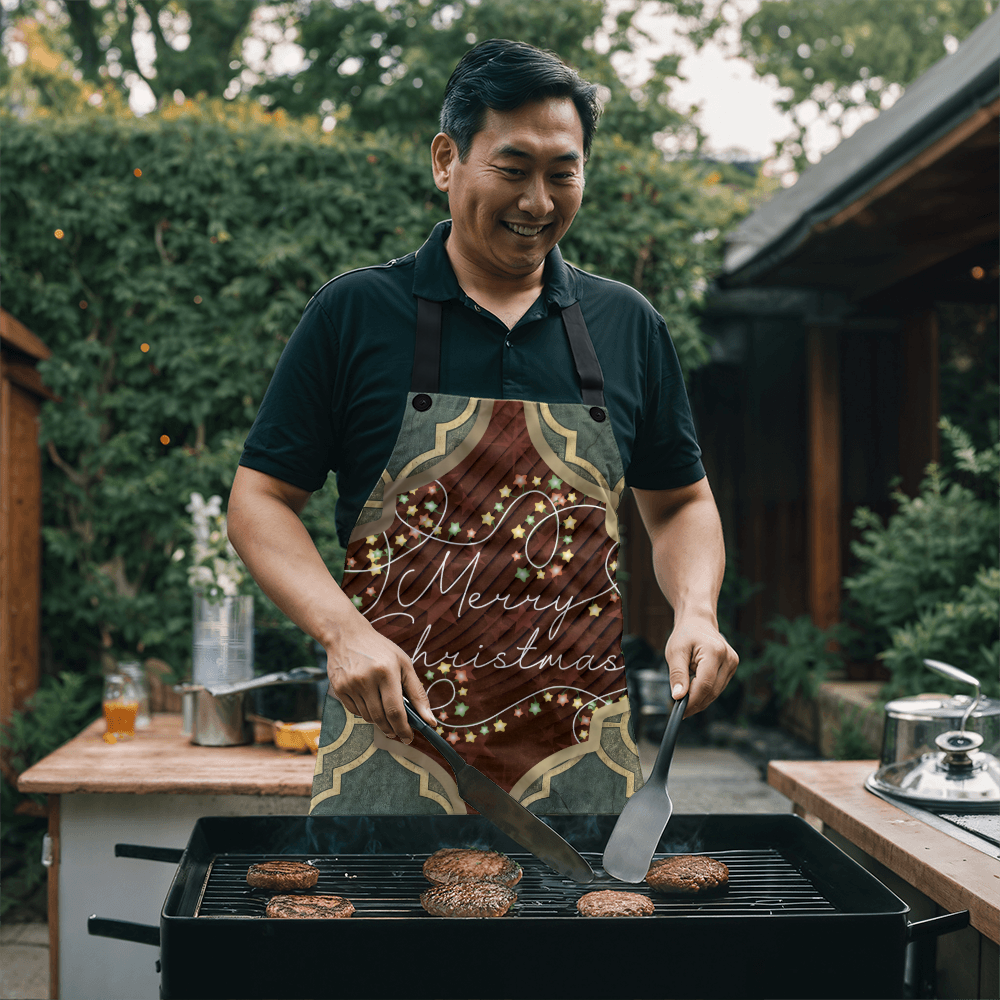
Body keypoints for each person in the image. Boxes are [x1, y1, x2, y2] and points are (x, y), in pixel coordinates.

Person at [228, 39, 738, 816]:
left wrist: (696, 610)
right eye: (513, 167)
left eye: (562, 172)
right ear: (446, 160)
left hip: (583, 774)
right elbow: (259, 500)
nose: (539, 200)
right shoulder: (354, 315)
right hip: (392, 756)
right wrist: (343, 632)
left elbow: (679, 504)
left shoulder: (626, 325)